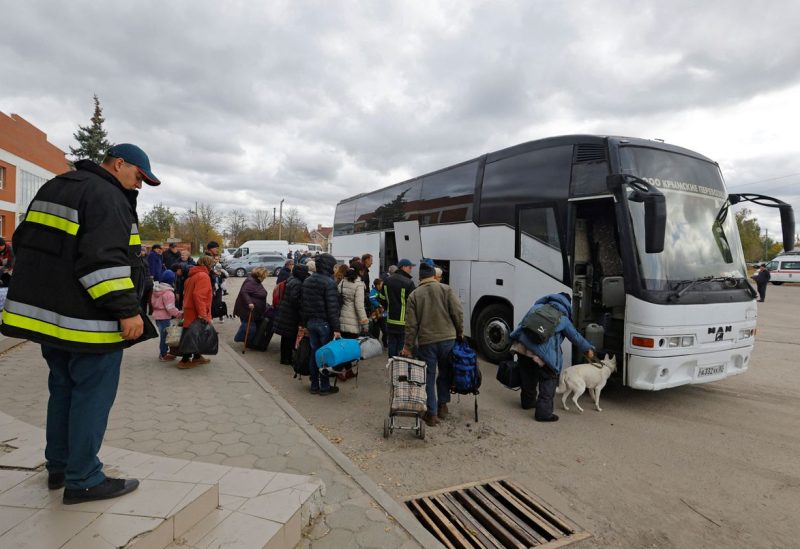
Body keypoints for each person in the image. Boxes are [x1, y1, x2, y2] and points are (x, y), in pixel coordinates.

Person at [0, 142, 160, 504]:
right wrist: (127, 311)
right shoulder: (106, 197)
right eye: (138, 177)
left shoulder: (56, 186)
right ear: (119, 164)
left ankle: (59, 467)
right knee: (91, 395)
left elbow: (24, 245)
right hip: (89, 323)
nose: (138, 186)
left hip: (50, 320)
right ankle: (84, 478)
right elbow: (103, 262)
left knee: (63, 389)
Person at [509, 292, 595, 422]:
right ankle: (543, 413)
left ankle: (527, 403)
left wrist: (512, 340)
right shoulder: (563, 319)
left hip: (523, 348)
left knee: (527, 376)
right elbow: (575, 337)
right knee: (548, 379)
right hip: (543, 356)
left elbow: (522, 325)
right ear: (567, 306)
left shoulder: (536, 308)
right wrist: (588, 349)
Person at [401, 263, 464, 426]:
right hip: (448, 339)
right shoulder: (446, 289)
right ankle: (443, 405)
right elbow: (457, 312)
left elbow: (411, 325)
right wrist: (460, 332)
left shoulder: (414, 295)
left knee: (428, 377)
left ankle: (432, 413)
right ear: (433, 275)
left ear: (420, 277)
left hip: (427, 342)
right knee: (445, 372)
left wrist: (408, 346)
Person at [301, 253, 341, 395]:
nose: (335, 268)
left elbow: (303, 305)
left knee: (314, 354)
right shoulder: (329, 283)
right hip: (324, 324)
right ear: (328, 265)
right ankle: (324, 386)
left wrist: (304, 324)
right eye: (333, 265)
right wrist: (336, 328)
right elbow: (333, 308)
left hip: (311, 322)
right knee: (324, 356)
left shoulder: (308, 281)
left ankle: (314, 385)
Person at [180, 255, 215, 368]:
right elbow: (199, 295)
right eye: (212, 264)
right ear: (208, 264)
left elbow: (187, 294)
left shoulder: (192, 276)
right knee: (192, 336)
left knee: (194, 334)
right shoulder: (203, 276)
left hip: (189, 309)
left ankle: (197, 357)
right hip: (196, 311)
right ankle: (185, 361)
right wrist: (203, 314)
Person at [274, 264, 310, 365]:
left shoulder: (291, 279)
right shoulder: (297, 283)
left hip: (286, 312)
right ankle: (287, 359)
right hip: (291, 314)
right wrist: (301, 305)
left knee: (286, 337)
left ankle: (284, 357)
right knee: (289, 337)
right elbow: (294, 299)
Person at [384, 258, 416, 357]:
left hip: (390, 319)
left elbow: (381, 298)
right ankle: (400, 367)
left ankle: (391, 364)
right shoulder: (408, 283)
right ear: (403, 267)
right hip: (403, 321)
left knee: (392, 343)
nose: (411, 269)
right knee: (401, 345)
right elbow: (413, 303)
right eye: (410, 267)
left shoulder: (387, 280)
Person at [151, 269, 181, 361]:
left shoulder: (156, 290)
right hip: (164, 317)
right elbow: (170, 308)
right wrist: (179, 313)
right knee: (165, 337)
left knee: (163, 335)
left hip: (157, 316)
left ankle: (164, 352)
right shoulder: (168, 293)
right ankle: (163, 354)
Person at [233, 267, 268, 344]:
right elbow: (244, 292)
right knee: (250, 328)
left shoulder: (255, 281)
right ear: (259, 276)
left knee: (249, 327)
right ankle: (239, 338)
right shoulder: (251, 281)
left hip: (253, 311)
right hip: (247, 310)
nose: (264, 278)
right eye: (264, 277)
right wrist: (249, 302)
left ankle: (248, 342)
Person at [369, 278, 388, 347]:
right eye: (381, 284)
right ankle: (376, 345)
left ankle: (385, 342)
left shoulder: (383, 291)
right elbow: (372, 299)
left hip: (383, 314)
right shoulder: (373, 291)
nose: (382, 285)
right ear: (377, 285)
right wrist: (379, 305)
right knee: (376, 331)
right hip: (376, 315)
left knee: (385, 330)